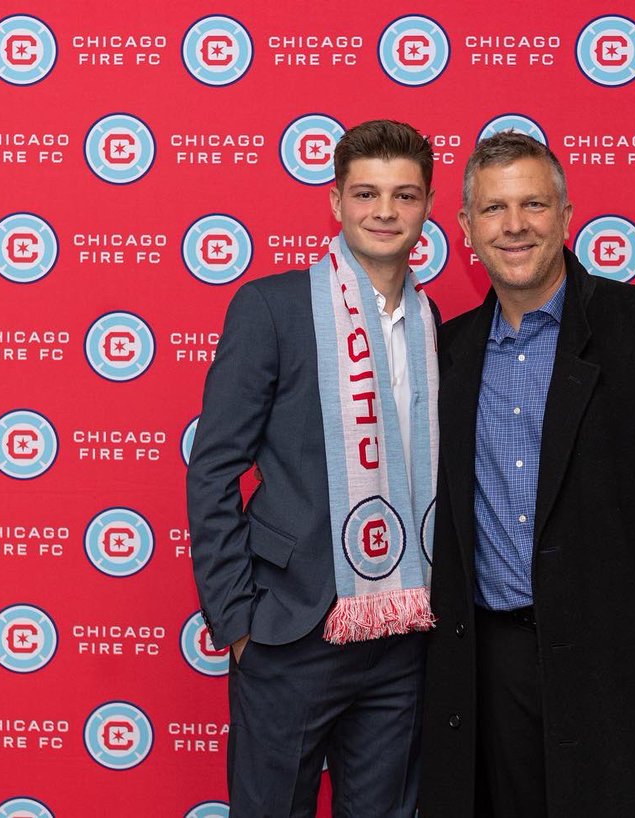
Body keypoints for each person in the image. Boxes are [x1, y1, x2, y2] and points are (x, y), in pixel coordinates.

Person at [420, 132, 635, 817]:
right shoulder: (443, 354)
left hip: (628, 673)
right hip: (493, 679)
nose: (514, 226)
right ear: (465, 229)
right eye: (494, 210)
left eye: (533, 204)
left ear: (568, 215)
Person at [187, 119, 441, 817]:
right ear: (335, 202)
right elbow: (212, 468)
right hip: (289, 629)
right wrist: (238, 621)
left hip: (403, 639)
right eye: (365, 193)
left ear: (427, 207)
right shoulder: (272, 307)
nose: (384, 211)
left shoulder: (431, 321)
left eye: (404, 194)